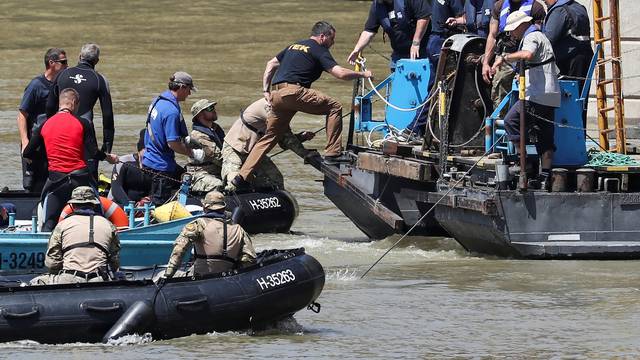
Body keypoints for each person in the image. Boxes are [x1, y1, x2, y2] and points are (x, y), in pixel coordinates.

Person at [231, 21, 373, 188]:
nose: (332, 43)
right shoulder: (318, 49)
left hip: (277, 95)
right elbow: (340, 73)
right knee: (334, 106)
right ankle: (333, 154)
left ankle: (241, 177)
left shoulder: (294, 45)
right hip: (294, 92)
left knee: (269, 138)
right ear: (322, 36)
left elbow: (271, 64)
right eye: (332, 39)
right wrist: (363, 74)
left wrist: (266, 91)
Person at [23, 88, 118, 231]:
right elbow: (93, 152)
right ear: (74, 103)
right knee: (97, 218)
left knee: (49, 222)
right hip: (80, 179)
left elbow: (28, 152)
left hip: (56, 180)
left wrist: (43, 158)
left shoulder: (45, 125)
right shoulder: (83, 123)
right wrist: (108, 157)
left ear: (60, 104)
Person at [491, 10, 560, 187]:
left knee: (510, 121)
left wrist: (504, 57)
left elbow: (528, 55)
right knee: (545, 137)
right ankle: (545, 177)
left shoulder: (531, 37)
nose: (512, 33)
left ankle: (526, 164)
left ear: (521, 25)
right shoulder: (541, 36)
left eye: (513, 29)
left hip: (536, 95)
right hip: (550, 95)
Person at [45, 43, 115, 179]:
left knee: (59, 170)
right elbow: (108, 116)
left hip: (59, 131)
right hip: (84, 132)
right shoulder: (100, 80)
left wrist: (51, 127)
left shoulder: (63, 74)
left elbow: (49, 105)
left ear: (79, 56)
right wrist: (106, 150)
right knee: (88, 177)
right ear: (97, 61)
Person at [29, 186, 120, 285]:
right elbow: (114, 261)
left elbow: (52, 262)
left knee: (35, 282)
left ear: (72, 205)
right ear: (94, 205)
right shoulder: (108, 225)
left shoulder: (62, 226)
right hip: (99, 279)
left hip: (70, 278)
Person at [223, 98, 315, 191]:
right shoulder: (271, 108)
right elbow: (287, 139)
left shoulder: (282, 110)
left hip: (255, 152)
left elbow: (283, 142)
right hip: (234, 148)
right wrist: (306, 154)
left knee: (275, 178)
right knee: (233, 183)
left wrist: (301, 137)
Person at [142, 71, 204, 205]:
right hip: (160, 166)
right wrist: (192, 153)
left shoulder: (157, 101)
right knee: (159, 206)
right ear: (182, 87)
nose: (189, 94)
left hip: (148, 160)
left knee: (183, 177)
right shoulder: (171, 111)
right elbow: (173, 144)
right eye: (189, 89)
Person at [162, 191, 256, 279]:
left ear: (205, 208)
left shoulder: (198, 224)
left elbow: (179, 249)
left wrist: (169, 274)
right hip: (227, 277)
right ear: (223, 208)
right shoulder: (238, 229)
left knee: (159, 274)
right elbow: (249, 259)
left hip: (200, 277)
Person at [17, 48, 68, 192]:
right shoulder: (36, 85)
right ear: (52, 63)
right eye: (63, 62)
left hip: (52, 143)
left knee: (51, 181)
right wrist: (25, 142)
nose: (67, 65)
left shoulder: (62, 85)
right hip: (35, 143)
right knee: (31, 184)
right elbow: (22, 115)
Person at [481, 0, 547, 107]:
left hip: (528, 58)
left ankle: (524, 121)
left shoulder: (536, 8)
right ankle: (500, 120)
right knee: (499, 94)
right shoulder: (499, 6)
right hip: (504, 56)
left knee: (528, 96)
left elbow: (539, 37)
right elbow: (492, 36)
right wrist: (486, 63)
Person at [542, 0, 593, 126]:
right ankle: (579, 136)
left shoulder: (559, 10)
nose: (544, 1)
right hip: (584, 58)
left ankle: (565, 138)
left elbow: (548, 40)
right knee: (580, 101)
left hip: (569, 62)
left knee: (567, 102)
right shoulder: (579, 7)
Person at [347, 0, 432, 70]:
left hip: (422, 50)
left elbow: (424, 17)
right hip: (399, 54)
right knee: (398, 86)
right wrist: (357, 49)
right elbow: (369, 31)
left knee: (427, 85)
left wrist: (416, 43)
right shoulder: (377, 6)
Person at [185, 99, 225, 193]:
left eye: (213, 107)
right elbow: (218, 157)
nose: (214, 110)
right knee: (218, 185)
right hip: (200, 174)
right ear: (200, 115)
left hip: (215, 171)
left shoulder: (215, 130)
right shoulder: (198, 136)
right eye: (210, 108)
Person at [108, 129, 152, 207]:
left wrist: (148, 199)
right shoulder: (124, 161)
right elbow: (116, 189)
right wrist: (130, 206)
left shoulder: (159, 165)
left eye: (152, 151)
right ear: (140, 149)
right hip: (120, 205)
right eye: (147, 150)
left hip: (144, 206)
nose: (149, 155)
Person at [428, 0, 465, 73]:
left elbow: (463, 17)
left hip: (445, 38)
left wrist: (456, 21)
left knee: (445, 73)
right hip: (435, 38)